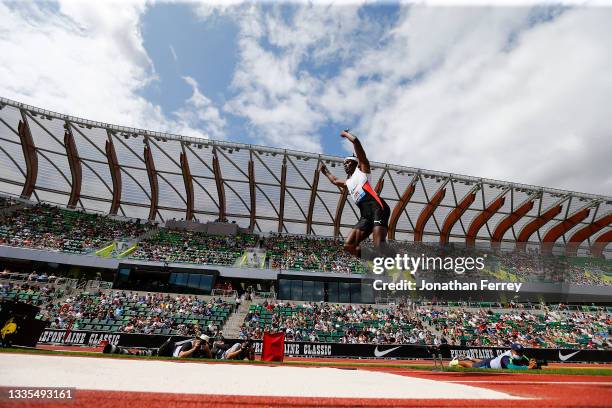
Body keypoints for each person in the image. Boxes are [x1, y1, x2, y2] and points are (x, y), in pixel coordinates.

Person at [319, 129, 391, 258]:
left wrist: (345, 134)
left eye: (348, 162)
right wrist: (325, 172)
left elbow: (357, 142)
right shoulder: (348, 182)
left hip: (378, 208)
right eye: (344, 163)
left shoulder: (363, 169)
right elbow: (335, 181)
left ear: (355, 162)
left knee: (379, 244)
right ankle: (375, 261)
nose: (345, 165)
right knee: (349, 245)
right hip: (365, 216)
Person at [449, 343, 536, 370]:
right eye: (518, 352)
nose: (520, 354)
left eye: (521, 352)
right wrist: (527, 367)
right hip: (488, 365)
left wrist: (532, 363)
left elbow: (529, 361)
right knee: (470, 366)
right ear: (512, 351)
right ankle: (455, 362)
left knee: (481, 361)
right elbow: (510, 366)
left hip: (493, 361)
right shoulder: (506, 357)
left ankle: (470, 358)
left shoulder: (520, 355)